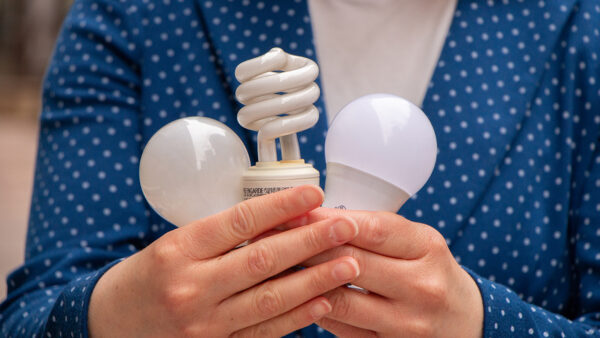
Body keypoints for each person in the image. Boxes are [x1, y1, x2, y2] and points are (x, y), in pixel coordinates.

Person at [1, 0, 600, 337]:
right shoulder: (137, 17)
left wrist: (482, 324)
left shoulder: (579, 27)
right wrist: (112, 317)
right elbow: (29, 317)